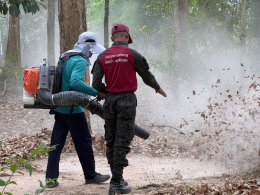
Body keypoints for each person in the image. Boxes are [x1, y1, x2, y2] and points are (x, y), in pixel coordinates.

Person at [91, 23, 167, 194]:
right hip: (127, 101)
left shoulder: (102, 57)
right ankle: (116, 182)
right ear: (126, 37)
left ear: (112, 39)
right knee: (122, 141)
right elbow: (146, 75)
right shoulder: (132, 54)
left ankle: (117, 179)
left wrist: (106, 93)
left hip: (109, 102)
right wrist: (157, 87)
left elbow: (95, 84)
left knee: (111, 141)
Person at [45, 31, 110, 188]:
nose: (92, 55)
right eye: (91, 51)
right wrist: (97, 92)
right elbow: (75, 82)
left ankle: (50, 178)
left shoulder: (67, 56)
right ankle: (91, 175)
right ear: (88, 48)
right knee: (84, 142)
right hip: (73, 109)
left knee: (56, 144)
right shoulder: (80, 61)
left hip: (60, 107)